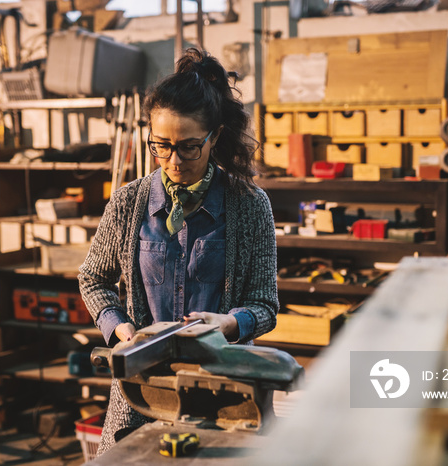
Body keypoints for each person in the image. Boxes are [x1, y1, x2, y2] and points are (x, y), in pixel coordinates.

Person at [78, 47, 279, 456]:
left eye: (189, 146)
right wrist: (119, 328)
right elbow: (93, 278)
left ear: (215, 136)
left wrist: (228, 323)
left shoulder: (249, 205)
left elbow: (265, 306)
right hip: (141, 394)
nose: (173, 160)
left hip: (223, 390)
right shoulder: (128, 203)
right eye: (161, 145)